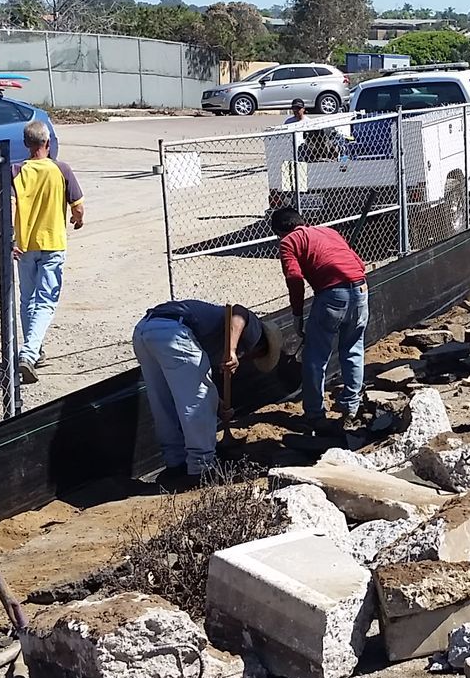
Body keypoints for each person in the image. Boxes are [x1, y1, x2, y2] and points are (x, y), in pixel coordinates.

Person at [131, 299, 281, 482]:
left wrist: (218, 405)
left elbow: (191, 378)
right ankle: (202, 469)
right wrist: (232, 350)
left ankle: (175, 464)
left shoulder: (211, 339)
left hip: (144, 330)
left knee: (164, 404)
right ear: (261, 350)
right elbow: (239, 311)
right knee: (199, 402)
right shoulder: (256, 336)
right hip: (174, 331)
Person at [270, 206, 368, 430]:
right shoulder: (329, 232)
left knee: (315, 356)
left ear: (280, 231)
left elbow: (294, 278)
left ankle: (315, 414)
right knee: (353, 348)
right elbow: (359, 264)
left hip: (332, 295)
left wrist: (297, 315)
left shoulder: (289, 242)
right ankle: (350, 406)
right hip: (361, 289)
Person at [12, 120, 82, 383]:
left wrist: (11, 239)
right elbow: (78, 206)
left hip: (25, 245)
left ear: (26, 144)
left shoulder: (16, 170)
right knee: (46, 301)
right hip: (52, 243)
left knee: (27, 299)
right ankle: (28, 353)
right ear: (48, 144)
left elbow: (10, 206)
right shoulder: (61, 169)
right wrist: (78, 219)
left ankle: (35, 349)